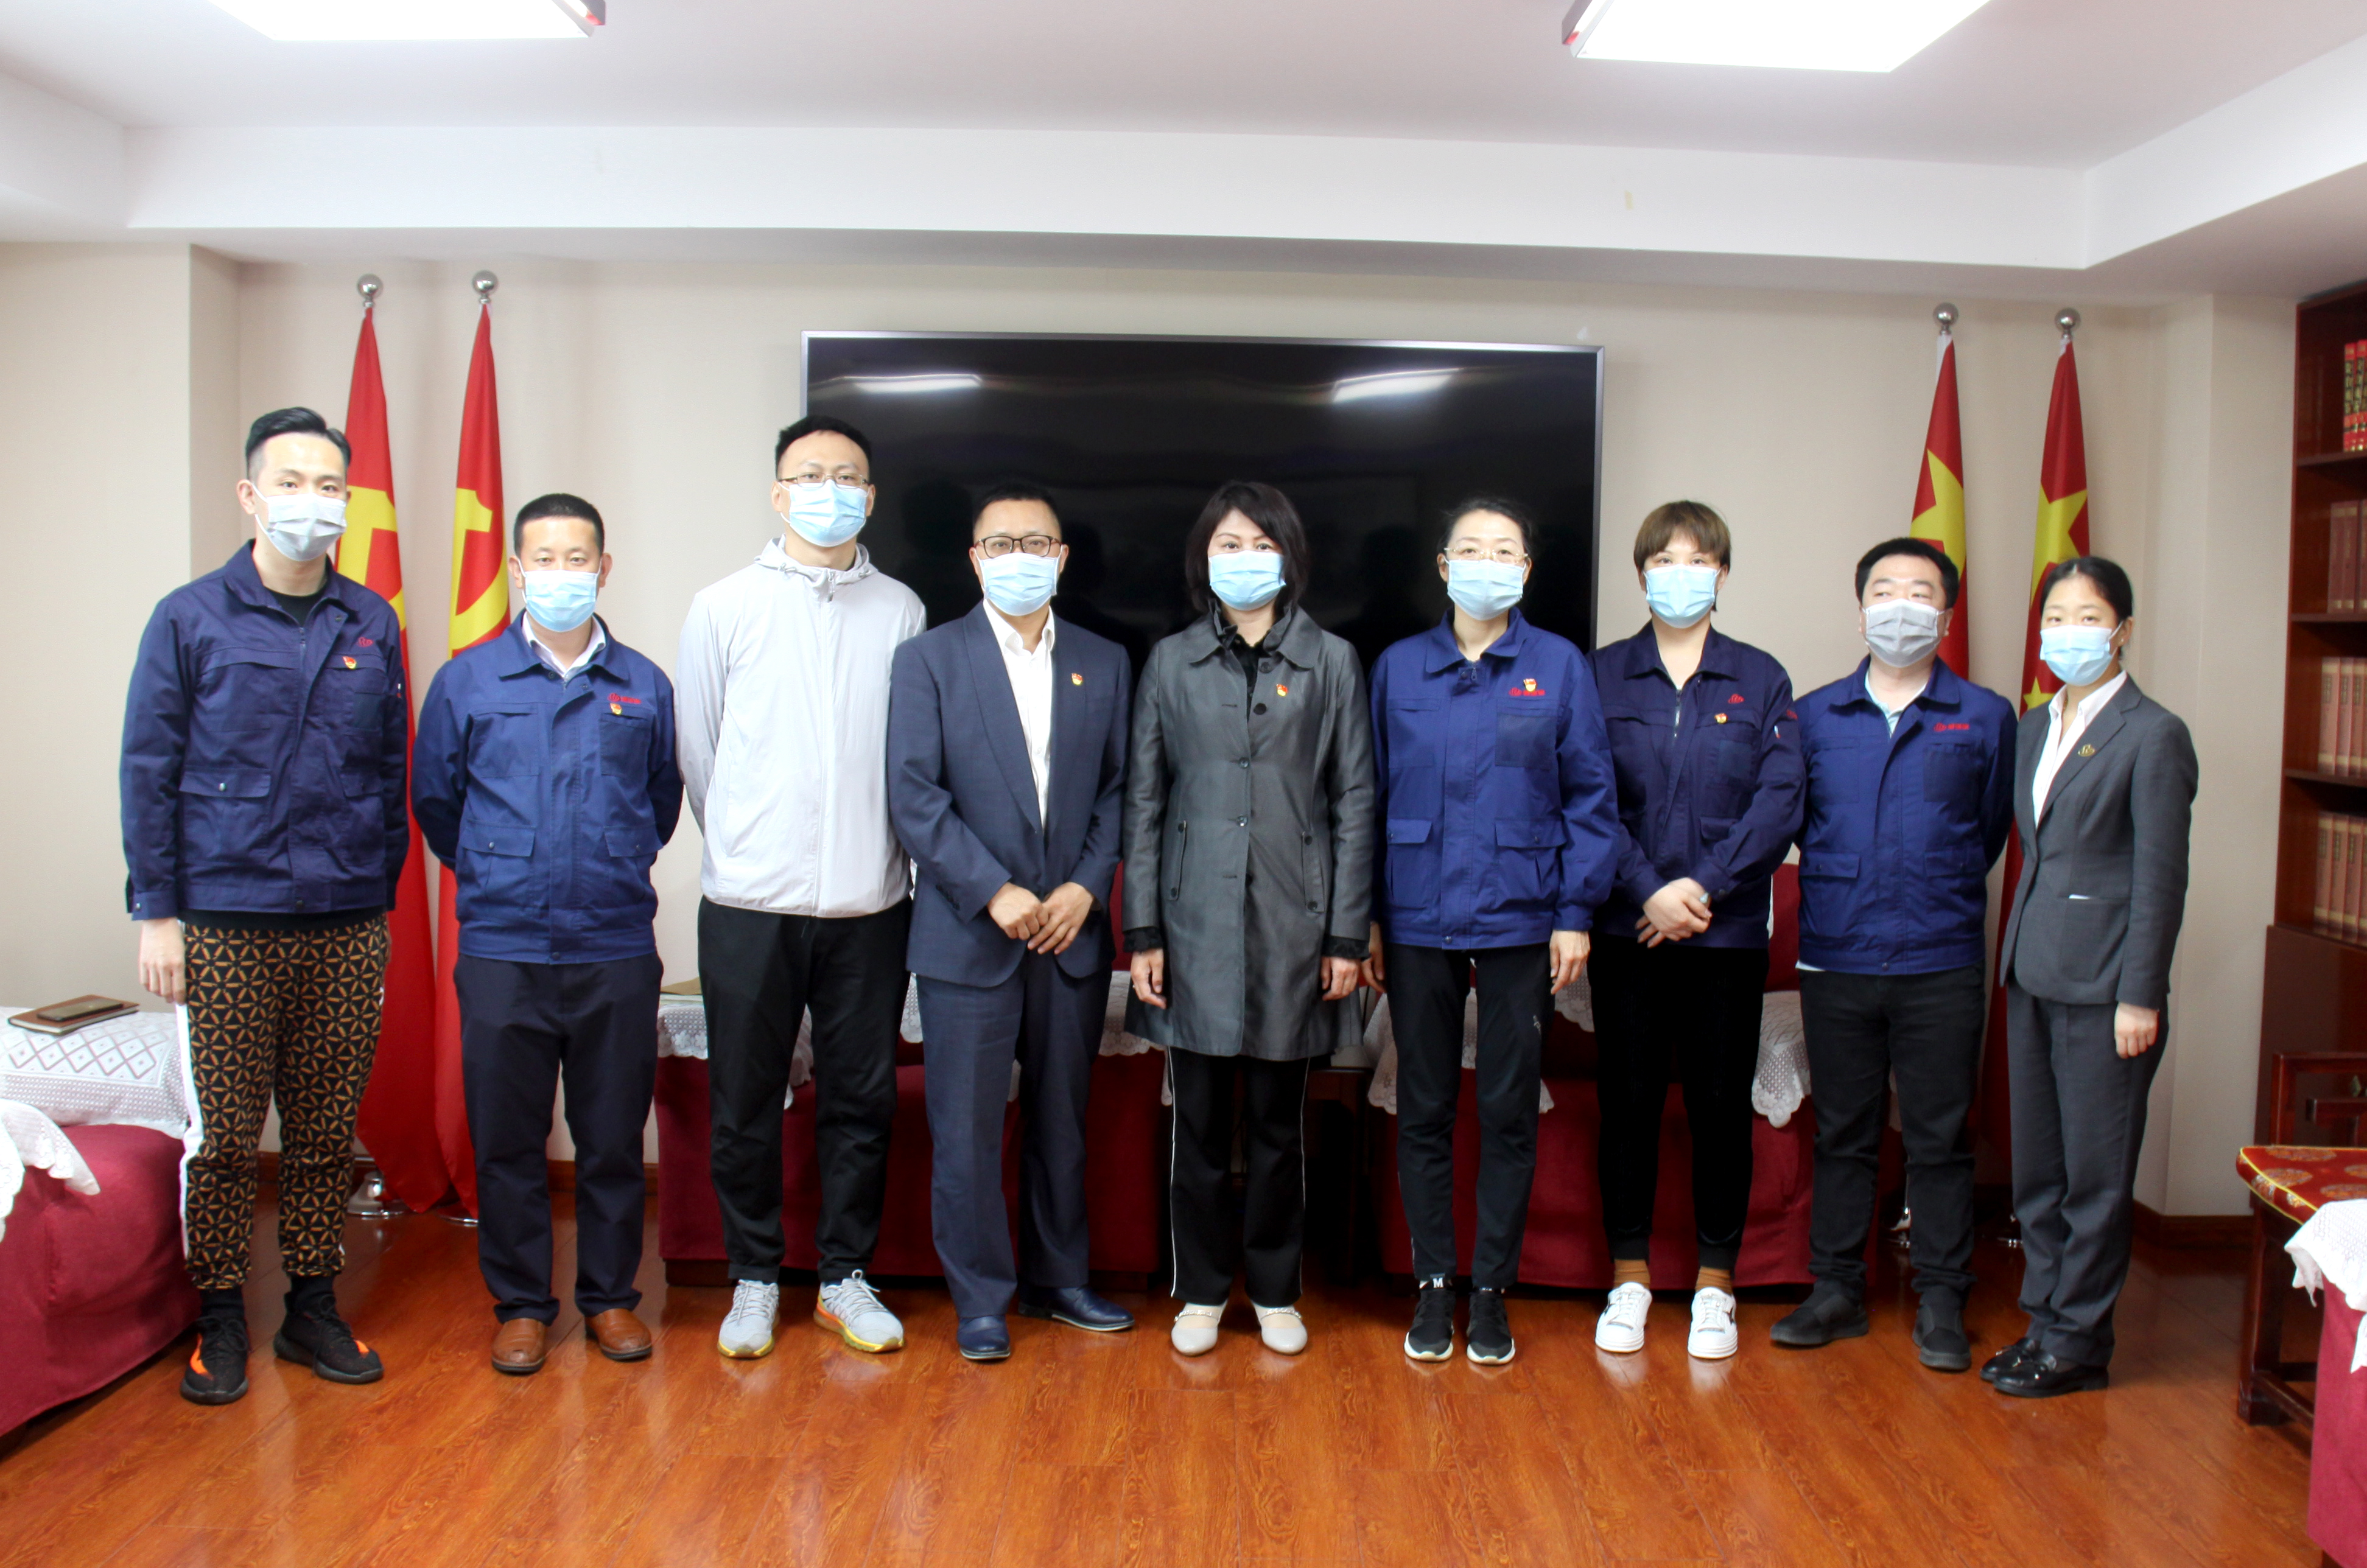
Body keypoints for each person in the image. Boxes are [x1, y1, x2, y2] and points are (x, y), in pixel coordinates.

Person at [121, 407, 408, 1405]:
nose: (310, 502)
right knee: (229, 1138)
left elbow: (388, 771)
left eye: (329, 486)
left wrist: (377, 901)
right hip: (225, 917)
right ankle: (220, 1315)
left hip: (345, 919)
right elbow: (149, 771)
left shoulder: (371, 622)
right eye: (291, 483)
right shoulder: (190, 617)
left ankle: (312, 1307)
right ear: (250, 496)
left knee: (326, 1133)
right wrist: (158, 914)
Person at [412, 492, 681, 1376]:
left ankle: (610, 1299)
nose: (562, 573)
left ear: (604, 568)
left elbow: (660, 805)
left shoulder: (644, 685)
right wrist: (502, 870)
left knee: (611, 1139)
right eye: (544, 559)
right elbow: (438, 804)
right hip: (504, 947)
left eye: (579, 559)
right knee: (508, 1140)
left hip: (614, 945)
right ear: (517, 570)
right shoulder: (467, 681)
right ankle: (523, 1306)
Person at [677, 415, 926, 1359]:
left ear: (871, 496)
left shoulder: (901, 610)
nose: (830, 490)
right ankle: (752, 1277)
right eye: (810, 475)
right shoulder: (723, 605)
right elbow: (702, 752)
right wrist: (750, 846)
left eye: (847, 476)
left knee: (861, 1100)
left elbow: (908, 756)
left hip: (871, 903)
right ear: (779, 493)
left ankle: (843, 1278)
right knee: (745, 1101)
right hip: (749, 904)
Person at [1122, 480, 1376, 1357]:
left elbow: (1354, 802)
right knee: (1196, 1125)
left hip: (1295, 927)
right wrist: (1144, 932)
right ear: (1205, 559)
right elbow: (1145, 804)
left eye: (1261, 544)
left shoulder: (1331, 661)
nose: (1245, 559)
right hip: (1191, 924)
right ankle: (1199, 1291)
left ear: (1290, 556)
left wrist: (1345, 936)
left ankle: (1273, 1290)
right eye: (1228, 544)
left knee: (1277, 1125)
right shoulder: (1171, 662)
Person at [1364, 497, 1618, 1365]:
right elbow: (1366, 799)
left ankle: (1491, 1292)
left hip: (1522, 918)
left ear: (1527, 570)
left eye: (1504, 550)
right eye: (1470, 549)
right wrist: (1365, 918)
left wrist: (1575, 914)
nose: (1487, 563)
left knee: (1510, 1110)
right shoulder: (1398, 667)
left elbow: (1591, 799)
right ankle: (1435, 1285)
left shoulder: (1559, 666)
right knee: (1425, 1108)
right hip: (1415, 917)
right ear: (1443, 567)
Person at [886, 483, 1135, 1362]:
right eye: (1001, 544)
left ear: (1061, 559)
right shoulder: (928, 660)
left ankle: (1059, 1281)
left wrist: (1085, 888)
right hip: (968, 934)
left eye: (1036, 544)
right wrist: (994, 890)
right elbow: (914, 795)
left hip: (1070, 933)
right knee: (964, 1132)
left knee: (1063, 1123)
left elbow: (1121, 790)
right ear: (974, 559)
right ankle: (982, 1300)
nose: (1018, 558)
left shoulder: (1106, 661)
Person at [1770, 538, 2014, 1372]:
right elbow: (1796, 825)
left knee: (1940, 1138)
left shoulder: (1984, 715)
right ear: (1861, 609)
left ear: (1945, 615)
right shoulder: (1813, 715)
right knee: (1844, 1131)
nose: (1900, 605)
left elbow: (1987, 831)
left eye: (1919, 592)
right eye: (1884, 590)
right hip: (1837, 956)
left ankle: (1942, 1298)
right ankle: (1836, 1290)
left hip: (1941, 958)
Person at [1587, 500, 1803, 1362]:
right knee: (1629, 1104)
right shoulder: (1600, 675)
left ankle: (1717, 1285)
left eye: (1699, 560)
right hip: (1627, 931)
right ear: (1642, 575)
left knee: (1720, 1108)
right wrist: (1648, 890)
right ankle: (1629, 1278)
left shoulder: (1761, 677)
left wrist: (1701, 888)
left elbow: (1780, 801)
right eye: (1665, 561)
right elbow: (1584, 797)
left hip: (1726, 933)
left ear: (1723, 573)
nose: (1682, 574)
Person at [1988, 556, 2195, 1398]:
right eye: (2056, 618)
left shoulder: (2154, 734)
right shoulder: (2035, 725)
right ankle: (2043, 1323)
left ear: (2123, 631)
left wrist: (2140, 995)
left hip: (2108, 989)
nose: (2069, 632)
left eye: (2088, 617)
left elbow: (2160, 879)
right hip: (2033, 972)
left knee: (2095, 1179)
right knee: (2038, 1172)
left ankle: (2078, 1344)